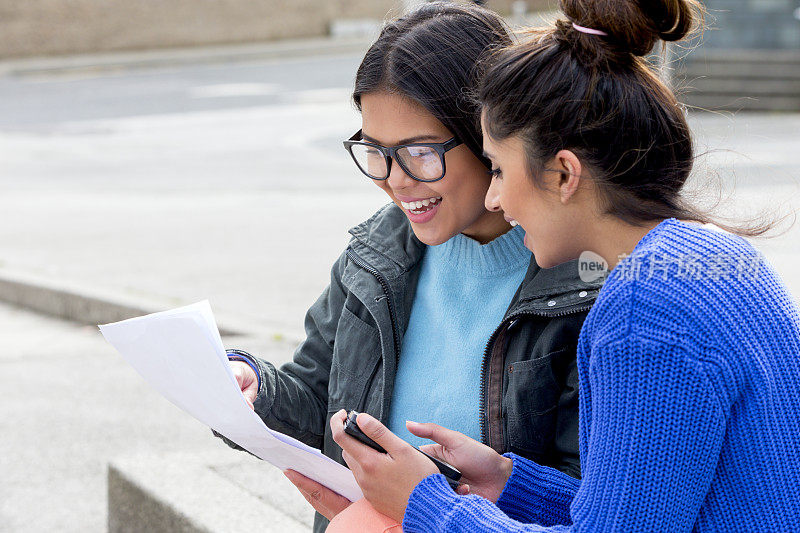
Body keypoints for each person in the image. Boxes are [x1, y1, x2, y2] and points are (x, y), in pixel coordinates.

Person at [327, 0, 800, 530]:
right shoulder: (716, 259)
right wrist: (506, 482)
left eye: (501, 170)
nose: (495, 199)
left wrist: (425, 505)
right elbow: (637, 505)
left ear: (563, 174)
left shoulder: (641, 313)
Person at [219, 3, 603, 531]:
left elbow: (588, 500)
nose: (396, 181)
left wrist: (422, 507)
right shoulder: (377, 252)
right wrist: (254, 387)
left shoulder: (581, 285)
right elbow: (318, 402)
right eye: (375, 151)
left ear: (490, 139)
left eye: (420, 152)